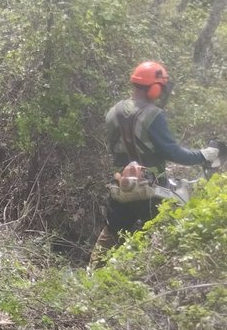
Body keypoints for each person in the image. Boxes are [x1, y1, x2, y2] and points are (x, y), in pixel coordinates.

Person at [90, 61, 220, 263]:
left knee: (110, 233)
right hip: (151, 190)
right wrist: (205, 154)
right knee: (165, 236)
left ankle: (91, 276)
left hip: (121, 187)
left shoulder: (113, 111)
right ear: (154, 87)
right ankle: (152, 275)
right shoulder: (154, 115)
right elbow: (174, 153)